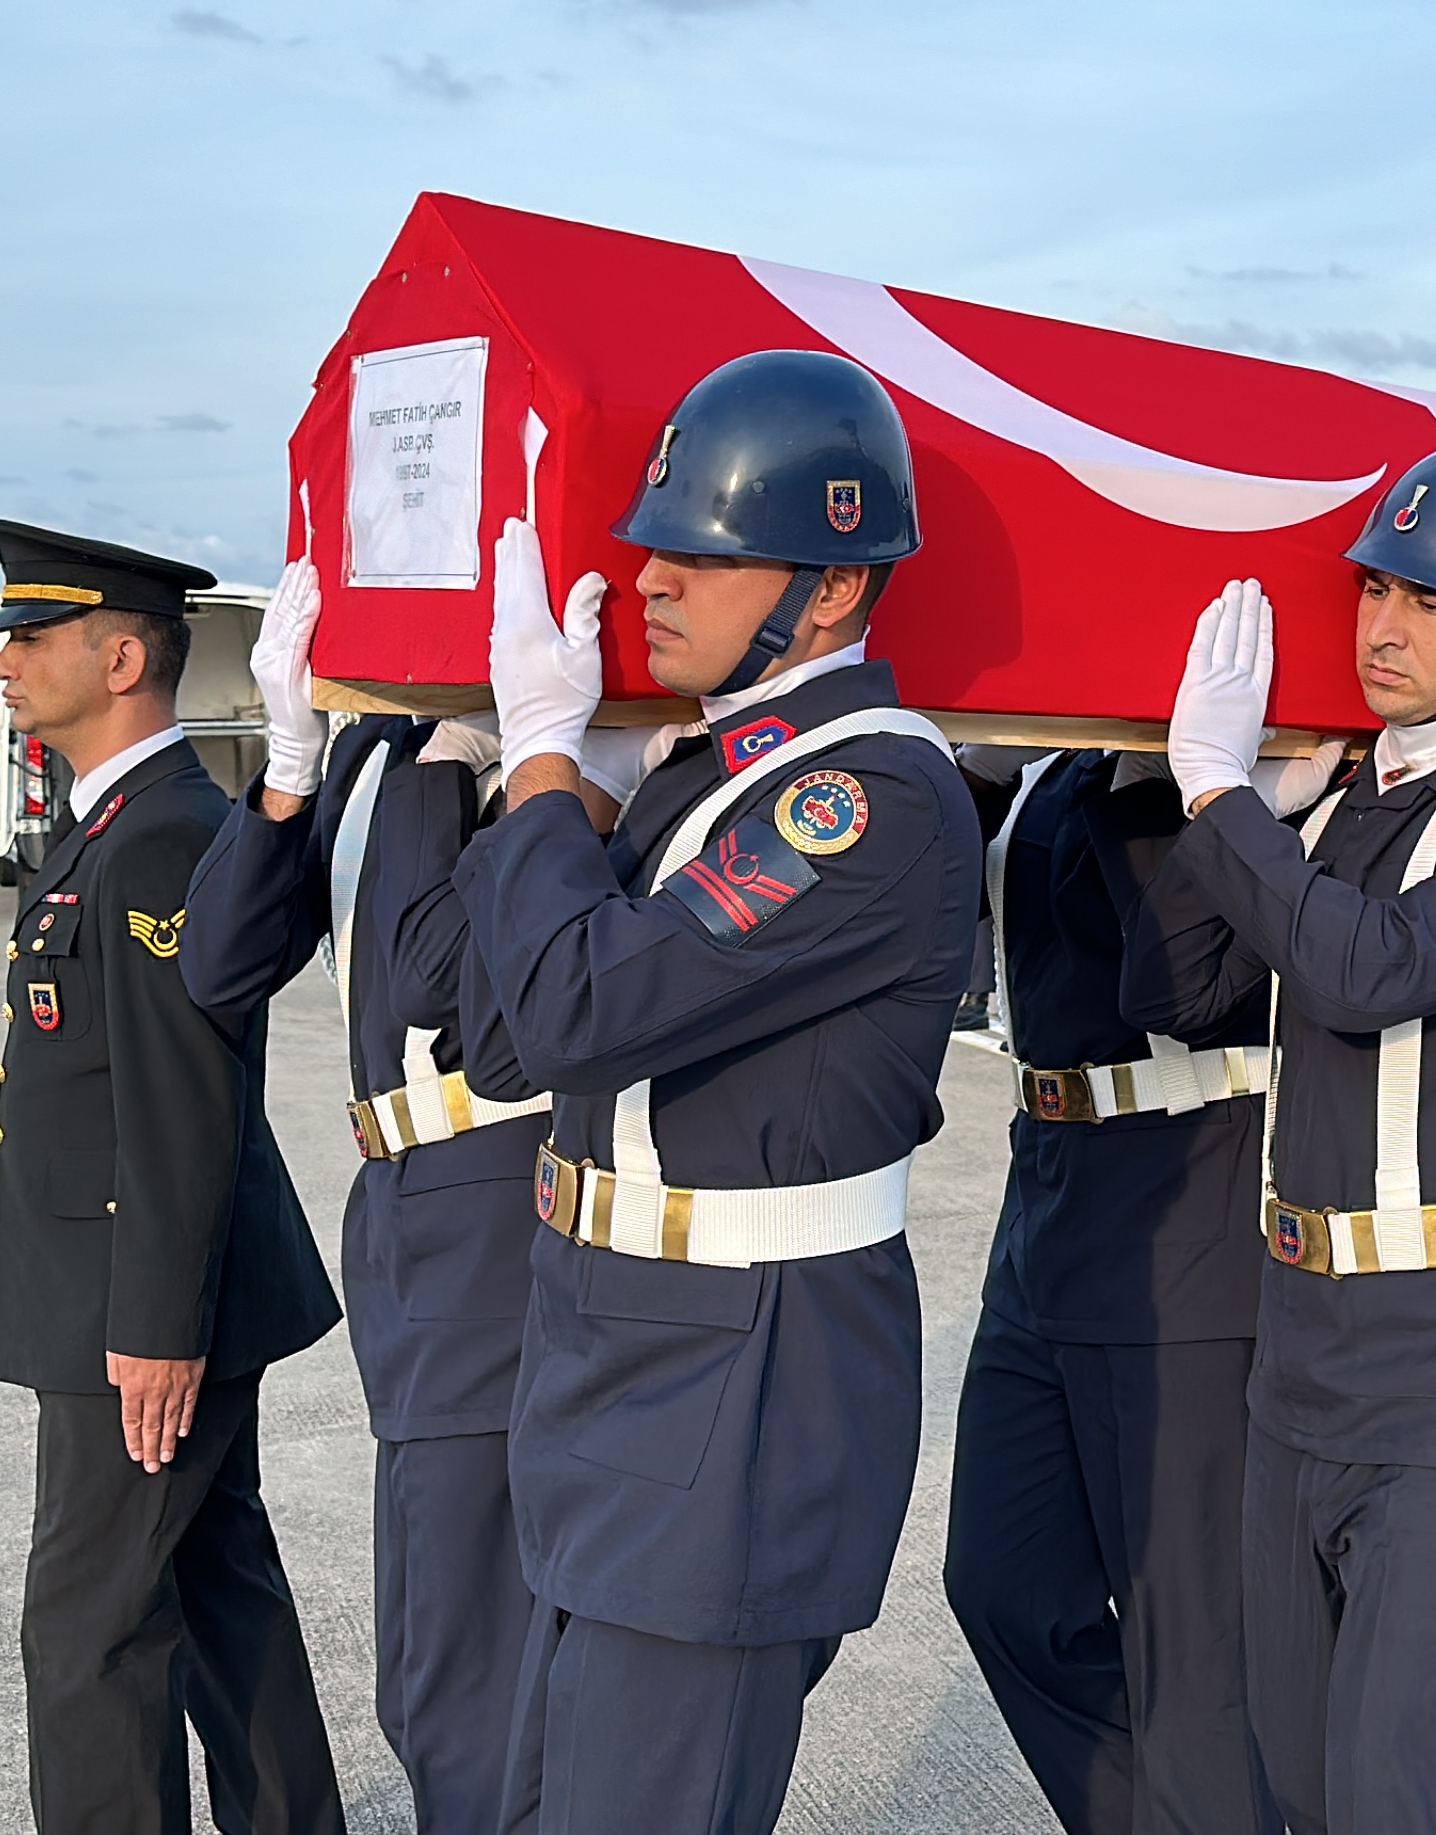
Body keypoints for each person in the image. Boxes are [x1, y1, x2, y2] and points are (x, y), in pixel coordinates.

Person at [449, 349, 981, 1835]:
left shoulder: (862, 798)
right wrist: (568, 783)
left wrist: (550, 767)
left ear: (826, 590)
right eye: (652, 545)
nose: (652, 580)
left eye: (705, 553)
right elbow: (501, 1041)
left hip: (737, 1391)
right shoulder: (705, 777)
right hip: (608, 1344)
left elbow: (575, 1004)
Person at [1124, 441, 1436, 1835]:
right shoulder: (1350, 803)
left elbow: (1379, 971)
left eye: (1432, 605)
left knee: (1395, 1798)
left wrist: (1228, 800)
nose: (1384, 630)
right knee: (1298, 1773)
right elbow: (1171, 995)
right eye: (1373, 592)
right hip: (1308, 1351)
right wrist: (1240, 816)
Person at [179, 557, 590, 1831]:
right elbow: (222, 960)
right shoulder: (378, 747)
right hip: (403, 1219)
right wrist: (297, 767)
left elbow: (443, 989)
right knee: (429, 1671)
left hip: (495, 1221)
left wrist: (475, 747)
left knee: (467, 1673)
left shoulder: (558, 760)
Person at [0, 519, 347, 1835]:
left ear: (123, 656)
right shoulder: (113, 827)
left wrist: (151, 1332)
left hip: (133, 1315)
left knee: (88, 1635)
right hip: (126, 1296)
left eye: (31, 640)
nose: (5, 667)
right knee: (212, 1585)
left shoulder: (161, 839)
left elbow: (182, 1110)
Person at [941, 743, 1314, 1835]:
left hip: (1188, 1199)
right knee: (1004, 1586)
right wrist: (972, 772)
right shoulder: (1058, 765)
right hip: (1046, 1194)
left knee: (1191, 1638)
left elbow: (1178, 979)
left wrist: (1166, 776)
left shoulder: (1240, 776)